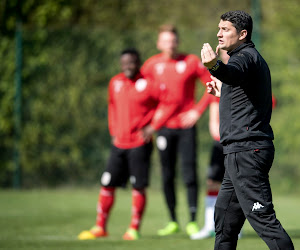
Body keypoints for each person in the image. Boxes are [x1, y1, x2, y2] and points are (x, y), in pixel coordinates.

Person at [201, 10, 294, 249]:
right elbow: (245, 93)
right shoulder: (248, 58)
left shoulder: (245, 57)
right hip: (239, 152)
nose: (219, 34)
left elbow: (232, 74)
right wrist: (223, 93)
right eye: (219, 28)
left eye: (225, 29)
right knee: (224, 222)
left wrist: (214, 66)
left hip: (247, 151)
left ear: (242, 34)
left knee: (265, 223)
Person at [78, 48, 161, 241]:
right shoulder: (115, 82)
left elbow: (166, 103)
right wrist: (113, 131)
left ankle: (134, 229)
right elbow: (112, 107)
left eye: (131, 63)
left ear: (138, 63)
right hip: (119, 144)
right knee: (107, 183)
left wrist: (153, 127)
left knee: (138, 186)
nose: (127, 67)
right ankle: (100, 227)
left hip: (140, 144)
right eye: (124, 63)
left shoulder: (149, 83)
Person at [141, 24, 212, 237]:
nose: (170, 44)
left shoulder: (190, 62)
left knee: (190, 173)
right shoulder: (151, 65)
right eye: (165, 41)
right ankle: (172, 220)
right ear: (159, 43)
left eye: (173, 40)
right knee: (167, 175)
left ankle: (192, 220)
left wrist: (197, 112)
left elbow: (211, 84)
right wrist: (149, 121)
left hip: (186, 128)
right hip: (163, 128)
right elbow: (142, 94)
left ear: (177, 42)